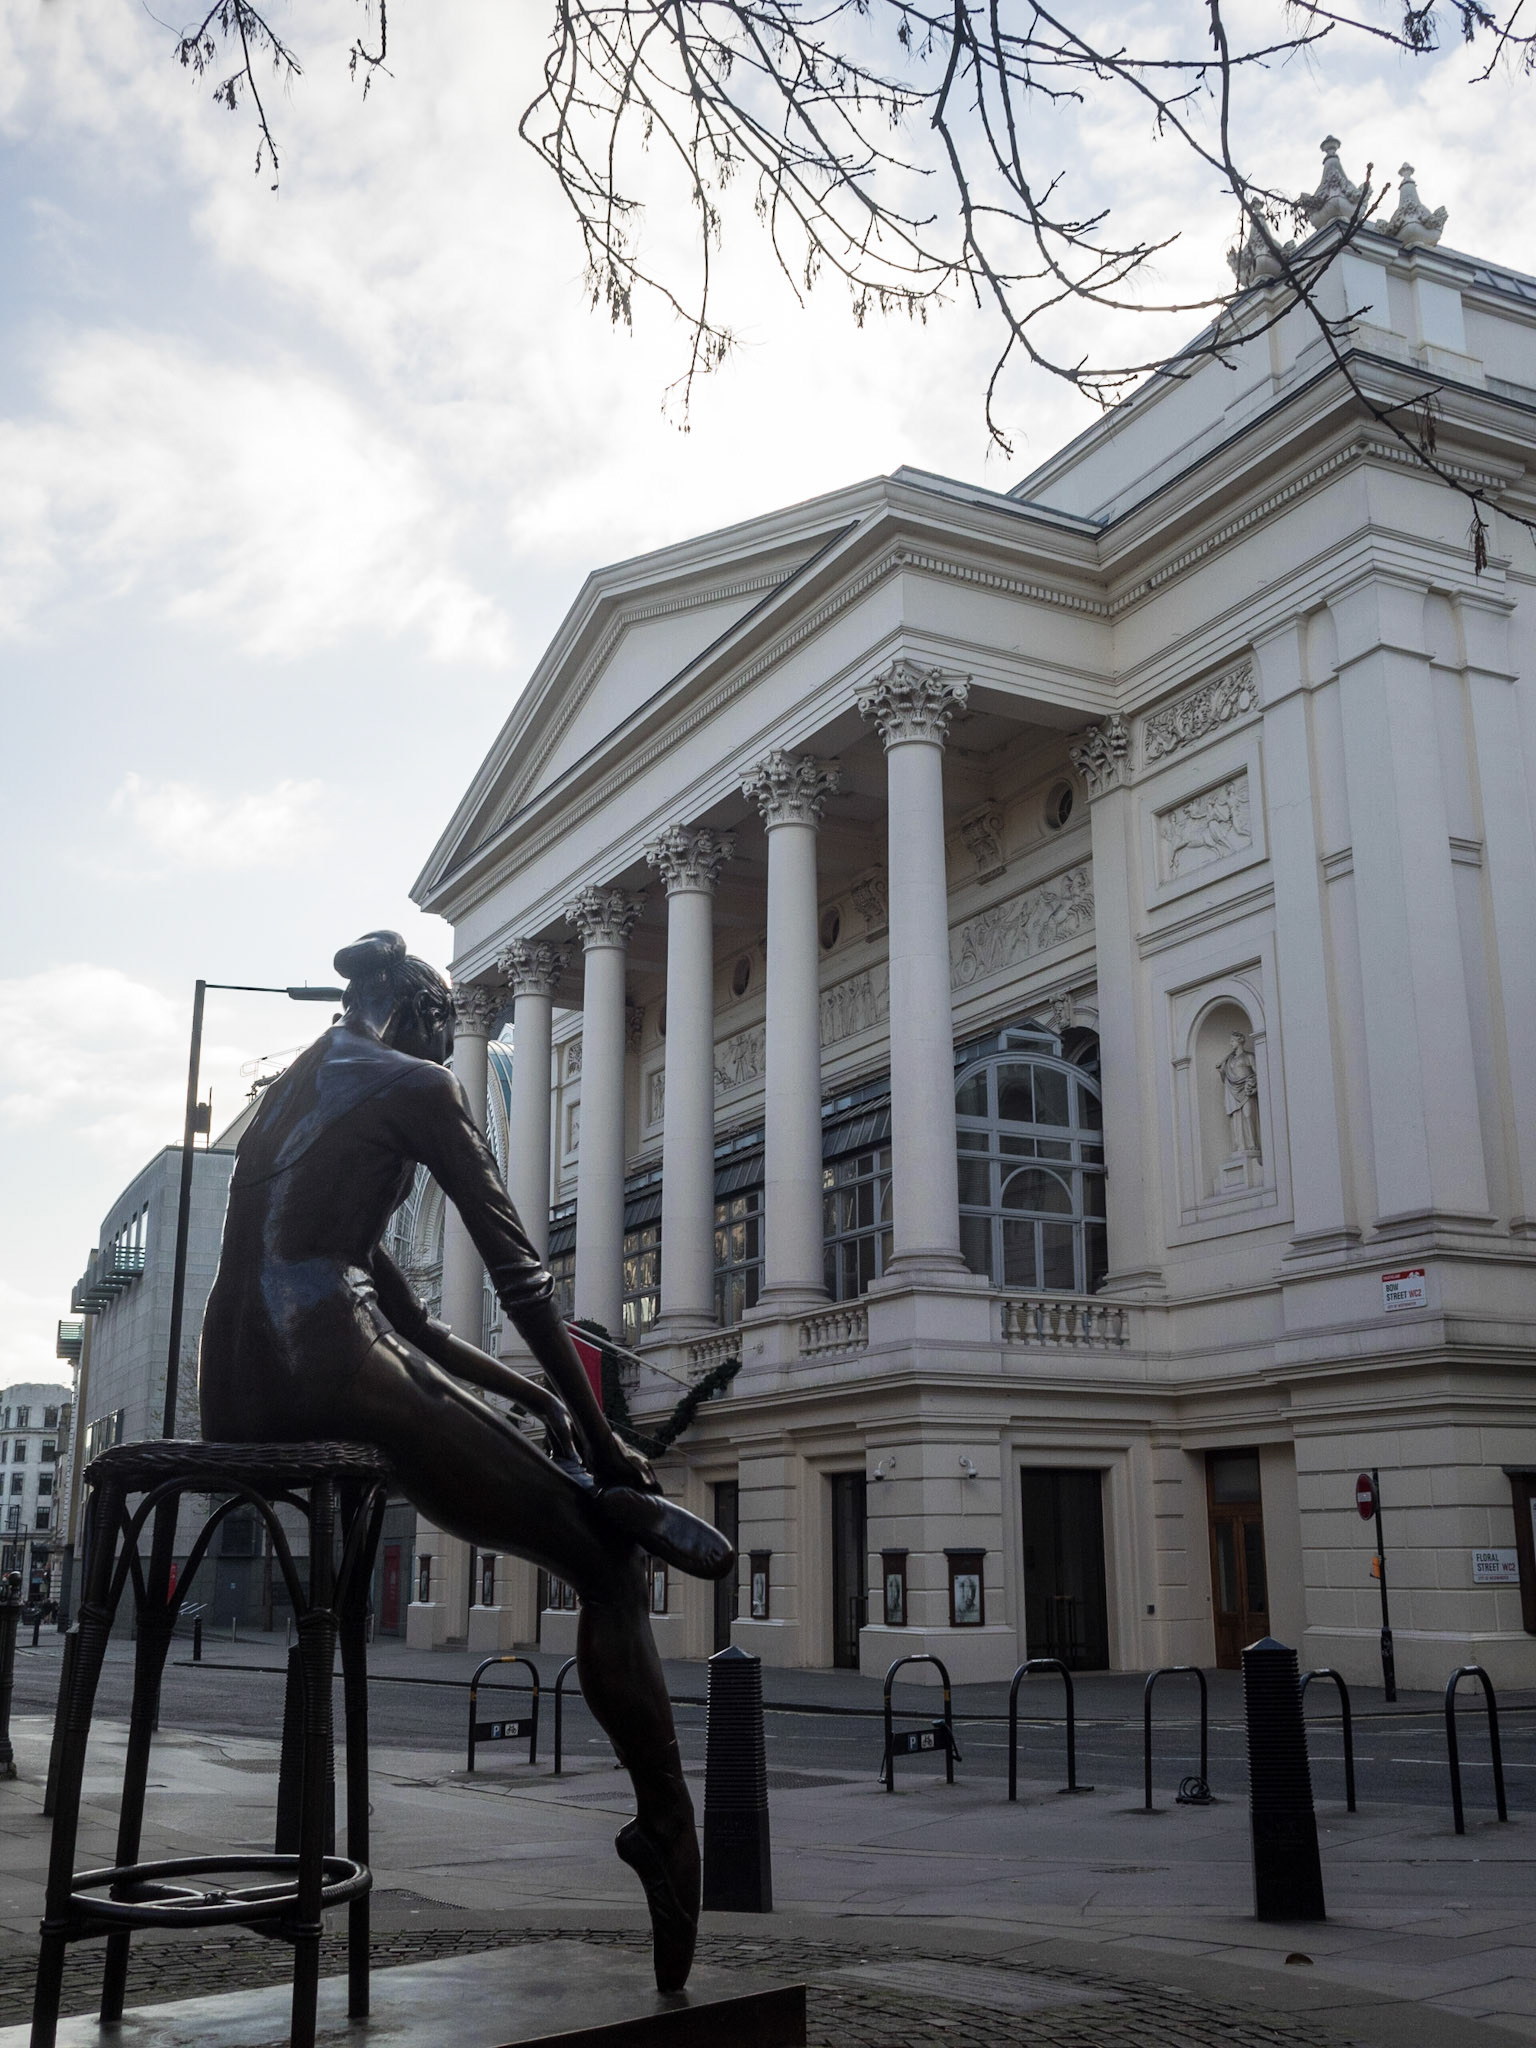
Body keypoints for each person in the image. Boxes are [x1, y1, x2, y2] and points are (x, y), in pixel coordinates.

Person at [199, 931, 730, 1991]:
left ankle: (596, 1489)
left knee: (554, 1475)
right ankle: (664, 1825)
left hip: (244, 1382)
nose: (453, 1043)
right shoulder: (420, 1086)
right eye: (450, 1025)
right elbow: (523, 1277)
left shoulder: (299, 1092)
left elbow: (417, 1321)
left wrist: (544, 1405)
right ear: (428, 1015)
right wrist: (599, 1426)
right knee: (603, 1562)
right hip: (324, 1355)